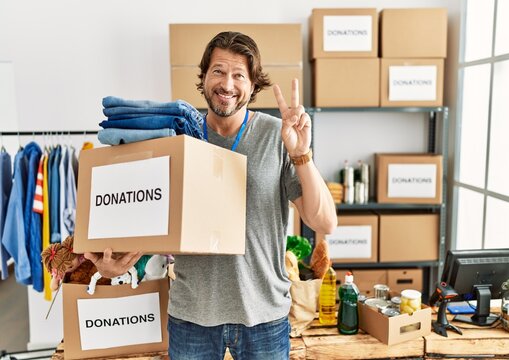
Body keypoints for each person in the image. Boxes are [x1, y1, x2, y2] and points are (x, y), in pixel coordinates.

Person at [84, 31, 337, 360]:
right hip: (192, 317)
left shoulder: (278, 136)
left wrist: (301, 154)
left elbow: (324, 221)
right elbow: (144, 214)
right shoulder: (176, 138)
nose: (227, 84)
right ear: (203, 78)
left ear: (252, 84)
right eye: (218, 71)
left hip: (263, 317)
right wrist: (119, 262)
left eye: (238, 75)